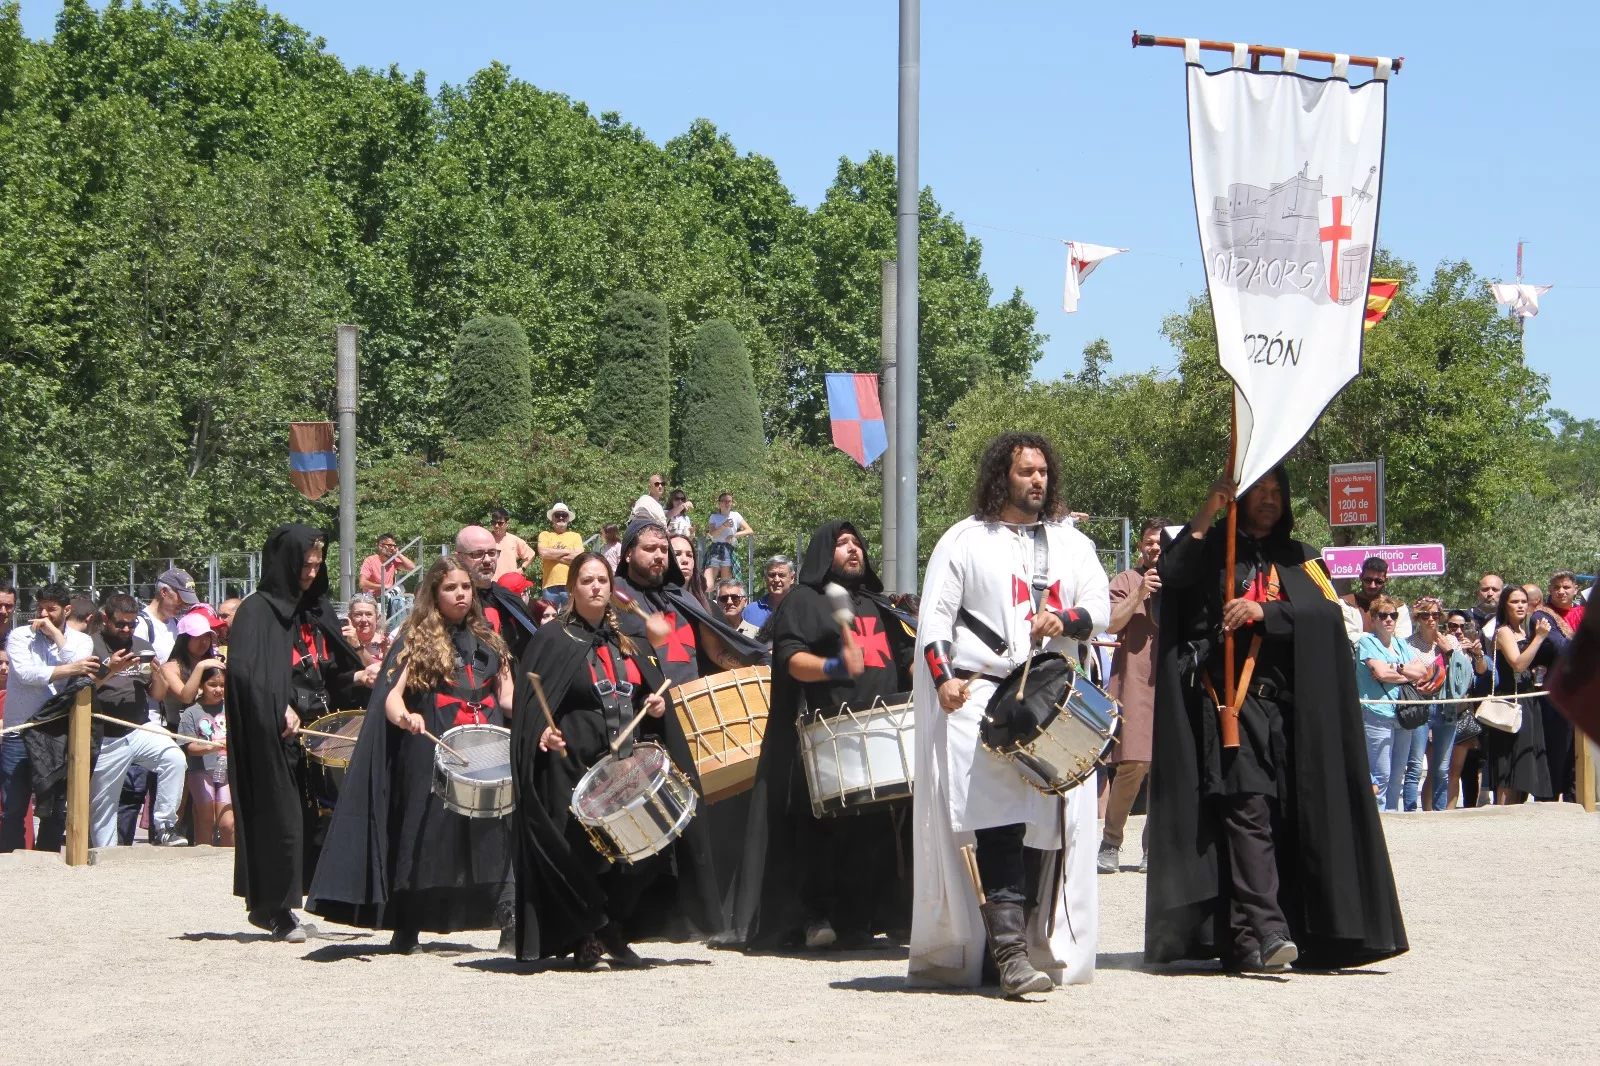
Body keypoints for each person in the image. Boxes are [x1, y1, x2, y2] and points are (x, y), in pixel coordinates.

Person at [1145, 466, 1406, 973]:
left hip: (1289, 708)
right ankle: (1268, 929)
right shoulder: (1212, 547)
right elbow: (1173, 578)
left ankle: (1250, 941)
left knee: (1283, 814)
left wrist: (1268, 613)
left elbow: (1331, 618)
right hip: (1225, 703)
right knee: (1248, 806)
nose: (1268, 500)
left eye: (1275, 492)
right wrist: (1207, 511)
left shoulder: (1301, 557)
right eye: (1258, 491)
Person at [909, 432, 1109, 998]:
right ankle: (1012, 954)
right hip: (982, 698)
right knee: (998, 821)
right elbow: (936, 620)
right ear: (1003, 475)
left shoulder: (1074, 545)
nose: (1038, 481)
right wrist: (944, 678)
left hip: (1052, 699)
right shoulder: (964, 541)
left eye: (1044, 471)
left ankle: (1015, 948)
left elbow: (1100, 609)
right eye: (1026, 471)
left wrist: (1065, 619)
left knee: (1047, 828)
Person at [510, 552, 723, 966]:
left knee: (650, 847)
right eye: (587, 580)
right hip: (571, 762)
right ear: (572, 587)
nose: (595, 587)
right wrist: (542, 733)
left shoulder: (625, 638)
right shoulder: (553, 639)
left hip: (624, 760)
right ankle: (587, 933)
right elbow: (529, 710)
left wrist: (655, 705)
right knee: (579, 853)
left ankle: (612, 923)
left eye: (602, 581)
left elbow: (647, 689)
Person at [309, 558, 517, 953]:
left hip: (486, 747)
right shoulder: (415, 638)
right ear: (434, 595)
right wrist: (406, 717)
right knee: (426, 833)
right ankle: (408, 920)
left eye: (465, 588)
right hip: (433, 748)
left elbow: (506, 696)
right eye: (450, 588)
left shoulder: (491, 640)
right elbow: (390, 697)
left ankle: (509, 916)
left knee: (498, 832)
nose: (460, 594)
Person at [729, 520, 914, 951]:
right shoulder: (804, 601)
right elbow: (791, 660)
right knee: (825, 830)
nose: (853, 550)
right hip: (826, 734)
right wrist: (834, 667)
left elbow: (905, 660)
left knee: (875, 831)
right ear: (821, 552)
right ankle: (816, 916)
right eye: (841, 543)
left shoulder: (879, 605)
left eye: (857, 542)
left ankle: (864, 919)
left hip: (882, 736)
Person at [226, 525, 369, 943]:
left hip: (321, 733)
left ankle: (308, 900)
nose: (311, 572)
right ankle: (270, 907)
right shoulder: (257, 611)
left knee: (317, 823)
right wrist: (277, 705)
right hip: (276, 737)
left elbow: (331, 671)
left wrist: (359, 674)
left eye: (317, 563)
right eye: (304, 564)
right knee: (281, 820)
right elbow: (245, 674)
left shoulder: (317, 609)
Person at [612, 521, 767, 688]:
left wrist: (760, 668)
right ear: (628, 554)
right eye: (650, 548)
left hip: (691, 703)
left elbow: (716, 652)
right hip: (641, 703)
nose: (659, 555)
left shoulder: (683, 598)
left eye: (664, 549)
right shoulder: (613, 595)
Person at [87, 592, 187, 849]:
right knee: (103, 807)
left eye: (131, 623)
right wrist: (111, 670)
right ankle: (104, 857)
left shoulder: (142, 645)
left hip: (138, 727)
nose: (126, 629)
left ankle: (164, 825)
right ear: (106, 618)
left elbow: (156, 694)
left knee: (174, 758)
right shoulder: (90, 645)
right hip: (105, 735)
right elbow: (81, 691)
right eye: (120, 623)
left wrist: (159, 674)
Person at [2, 584, 97, 852]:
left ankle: (47, 862)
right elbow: (27, 675)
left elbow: (81, 677)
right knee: (13, 807)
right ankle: (11, 861)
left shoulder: (81, 641)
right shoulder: (20, 636)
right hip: (18, 732)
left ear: (67, 610)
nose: (43, 613)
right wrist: (72, 667)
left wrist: (57, 636)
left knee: (54, 807)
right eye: (40, 607)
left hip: (58, 733)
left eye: (51, 609)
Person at [1100, 517, 1166, 874]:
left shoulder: (1181, 576)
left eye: (1160, 541)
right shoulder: (1125, 580)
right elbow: (1110, 623)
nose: (1154, 547)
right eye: (1149, 542)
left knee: (1167, 767)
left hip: (1172, 679)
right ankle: (1110, 841)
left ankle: (1153, 849)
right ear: (1140, 545)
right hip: (1136, 679)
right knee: (1135, 762)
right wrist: (1141, 592)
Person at [1356, 596, 1433, 813]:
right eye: (1383, 615)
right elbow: (1380, 672)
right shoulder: (1366, 642)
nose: (1389, 620)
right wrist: (1404, 671)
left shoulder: (1401, 644)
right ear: (1373, 619)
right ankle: (1378, 818)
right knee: (1381, 774)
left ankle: (1392, 815)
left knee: (1398, 773)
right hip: (1376, 713)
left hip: (1403, 713)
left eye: (1393, 615)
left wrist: (1395, 668)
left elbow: (1421, 672)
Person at [1407, 597, 1484, 811]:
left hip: (1447, 707)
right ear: (1417, 618)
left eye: (1435, 615)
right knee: (1414, 766)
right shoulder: (1407, 644)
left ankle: (1440, 813)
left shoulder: (1451, 641)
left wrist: (1450, 652)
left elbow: (1466, 676)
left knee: (1442, 767)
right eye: (1425, 615)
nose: (1431, 619)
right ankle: (1410, 811)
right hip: (1419, 705)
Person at [1483, 585, 1551, 805]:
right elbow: (1518, 664)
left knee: (1524, 762)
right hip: (1510, 702)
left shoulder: (1524, 631)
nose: (1521, 605)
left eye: (1523, 601)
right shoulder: (1503, 631)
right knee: (1507, 763)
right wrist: (1539, 639)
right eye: (1515, 601)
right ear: (1505, 605)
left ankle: (1518, 814)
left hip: (1529, 698)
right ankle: (1503, 815)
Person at [456, 525, 539, 661]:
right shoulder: (451, 603)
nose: (487, 560)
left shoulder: (508, 598)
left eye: (492, 553)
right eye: (477, 554)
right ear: (459, 558)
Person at [179, 667, 233, 846]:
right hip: (200, 771)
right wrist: (210, 746)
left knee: (228, 823)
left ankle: (228, 864)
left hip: (227, 770)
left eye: (222, 685)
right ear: (202, 685)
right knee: (206, 820)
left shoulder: (231, 708)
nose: (218, 689)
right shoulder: (191, 713)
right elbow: (189, 747)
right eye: (212, 685)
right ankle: (203, 862)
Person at [1444, 611, 1489, 809]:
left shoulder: (1471, 651)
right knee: (1441, 768)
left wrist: (1477, 653)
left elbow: (1483, 671)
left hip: (1466, 714)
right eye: (1453, 626)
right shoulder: (1441, 647)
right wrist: (1453, 653)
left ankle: (1462, 810)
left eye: (1464, 627)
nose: (1459, 631)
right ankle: (1438, 809)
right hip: (1442, 713)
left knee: (1465, 768)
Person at [536, 504, 583, 606]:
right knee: (550, 619)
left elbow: (579, 558)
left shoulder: (575, 536)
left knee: (571, 619)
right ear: (552, 518)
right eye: (557, 515)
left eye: (564, 515)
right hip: (549, 586)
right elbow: (543, 552)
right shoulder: (545, 535)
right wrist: (569, 551)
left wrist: (552, 555)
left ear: (568, 519)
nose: (561, 518)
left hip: (571, 585)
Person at [706, 492, 753, 586]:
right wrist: (724, 525)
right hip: (715, 549)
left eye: (729, 501)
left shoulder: (736, 515)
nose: (727, 504)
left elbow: (749, 530)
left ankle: (722, 591)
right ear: (719, 503)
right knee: (707, 585)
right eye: (724, 501)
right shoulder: (714, 516)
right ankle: (717, 587)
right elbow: (712, 534)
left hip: (728, 550)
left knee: (726, 584)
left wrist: (734, 535)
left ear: (732, 503)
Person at [743, 556, 794, 631]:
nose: (776, 580)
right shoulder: (750, 611)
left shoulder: (802, 609)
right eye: (772, 575)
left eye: (781, 575)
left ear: (792, 578)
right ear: (766, 579)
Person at [343, 593, 388, 667]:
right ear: (350, 618)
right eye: (358, 614)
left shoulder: (387, 643)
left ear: (377, 618)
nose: (364, 619)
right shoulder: (343, 642)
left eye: (369, 614)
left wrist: (358, 647)